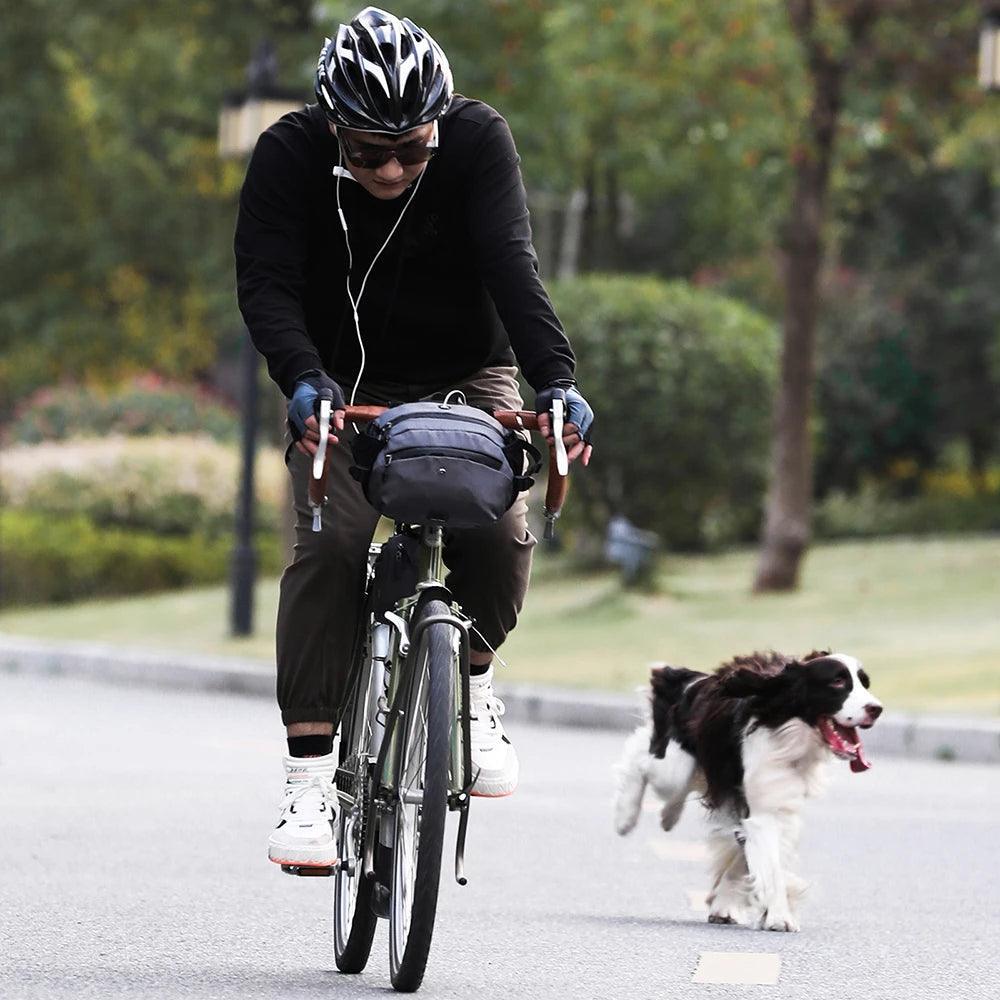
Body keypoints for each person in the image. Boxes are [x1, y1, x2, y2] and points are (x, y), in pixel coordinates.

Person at [235, 6, 594, 869]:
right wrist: (303, 378)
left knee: (501, 531)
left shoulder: (477, 142)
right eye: (368, 152)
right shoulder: (287, 154)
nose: (394, 167)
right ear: (334, 129)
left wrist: (556, 381)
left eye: (413, 149)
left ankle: (470, 684)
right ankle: (308, 783)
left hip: (467, 375)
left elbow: (513, 263)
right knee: (330, 543)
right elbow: (268, 285)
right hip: (338, 385)